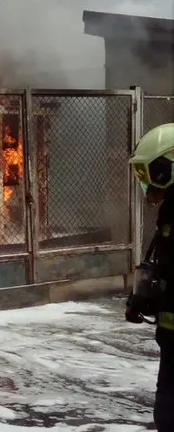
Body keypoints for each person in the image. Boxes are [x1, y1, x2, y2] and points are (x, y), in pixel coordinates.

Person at [127, 122, 174, 431]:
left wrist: (157, 297)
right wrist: (145, 294)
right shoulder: (170, 209)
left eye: (149, 172)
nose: (146, 182)